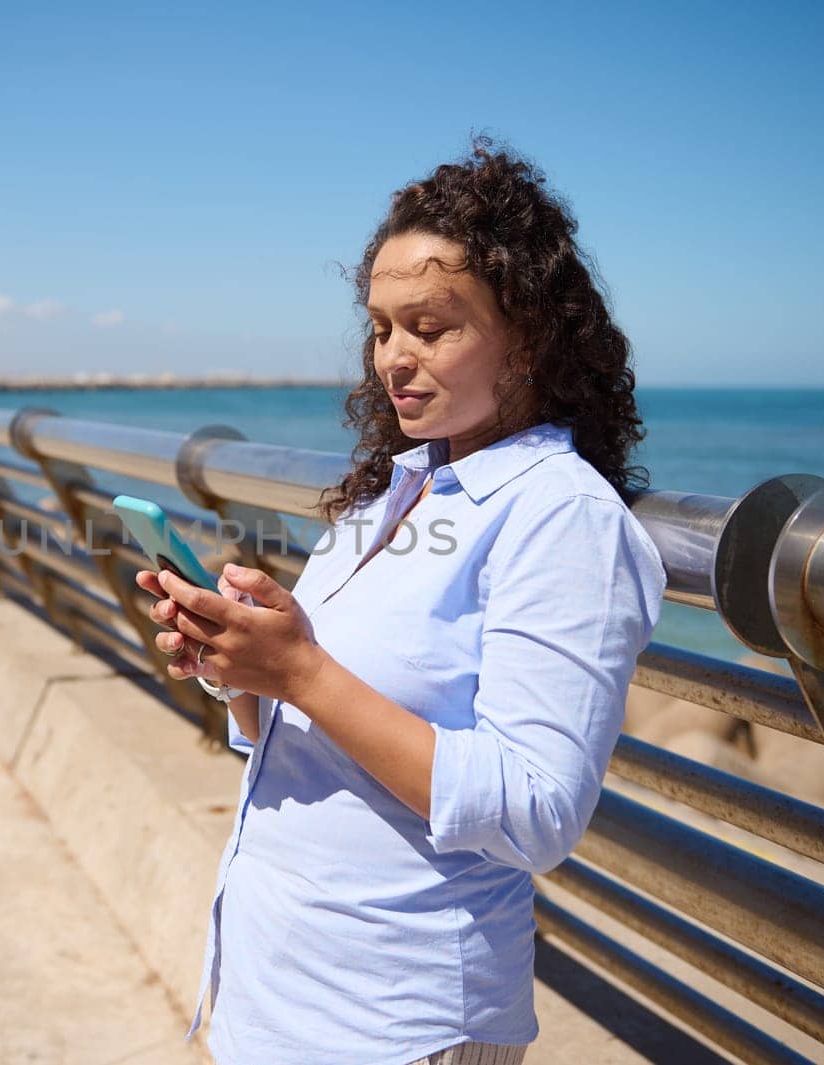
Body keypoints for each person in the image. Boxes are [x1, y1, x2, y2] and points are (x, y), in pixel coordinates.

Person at [133, 138, 667, 1065]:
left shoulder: (560, 515)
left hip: (397, 1023)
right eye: (382, 327)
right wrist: (246, 666)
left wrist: (300, 669)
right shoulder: (401, 489)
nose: (394, 358)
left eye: (431, 326)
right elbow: (323, 723)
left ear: (532, 333)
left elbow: (539, 813)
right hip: (278, 996)